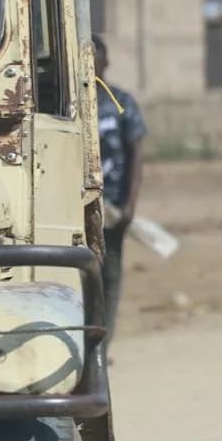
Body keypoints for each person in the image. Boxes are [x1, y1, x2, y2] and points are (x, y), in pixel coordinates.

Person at [93, 34, 145, 355]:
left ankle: (103, 346)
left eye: (96, 59)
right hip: (80, 205)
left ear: (106, 64)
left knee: (110, 275)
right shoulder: (69, 102)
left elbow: (136, 153)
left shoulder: (120, 102)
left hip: (113, 205)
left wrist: (130, 205)